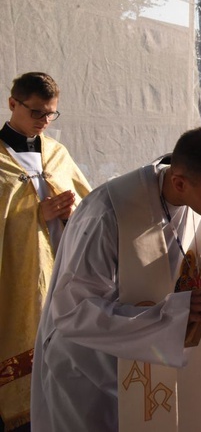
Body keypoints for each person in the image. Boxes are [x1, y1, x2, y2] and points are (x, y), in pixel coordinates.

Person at [31, 126, 201, 432]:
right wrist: (176, 314)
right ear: (180, 183)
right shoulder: (105, 214)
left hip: (159, 364)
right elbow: (72, 313)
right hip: (92, 372)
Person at [0, 72, 91, 431]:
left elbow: (88, 204)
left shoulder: (57, 152)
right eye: (37, 113)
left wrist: (72, 213)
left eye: (51, 114)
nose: (44, 122)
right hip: (18, 276)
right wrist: (35, 216)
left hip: (63, 269)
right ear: (12, 104)